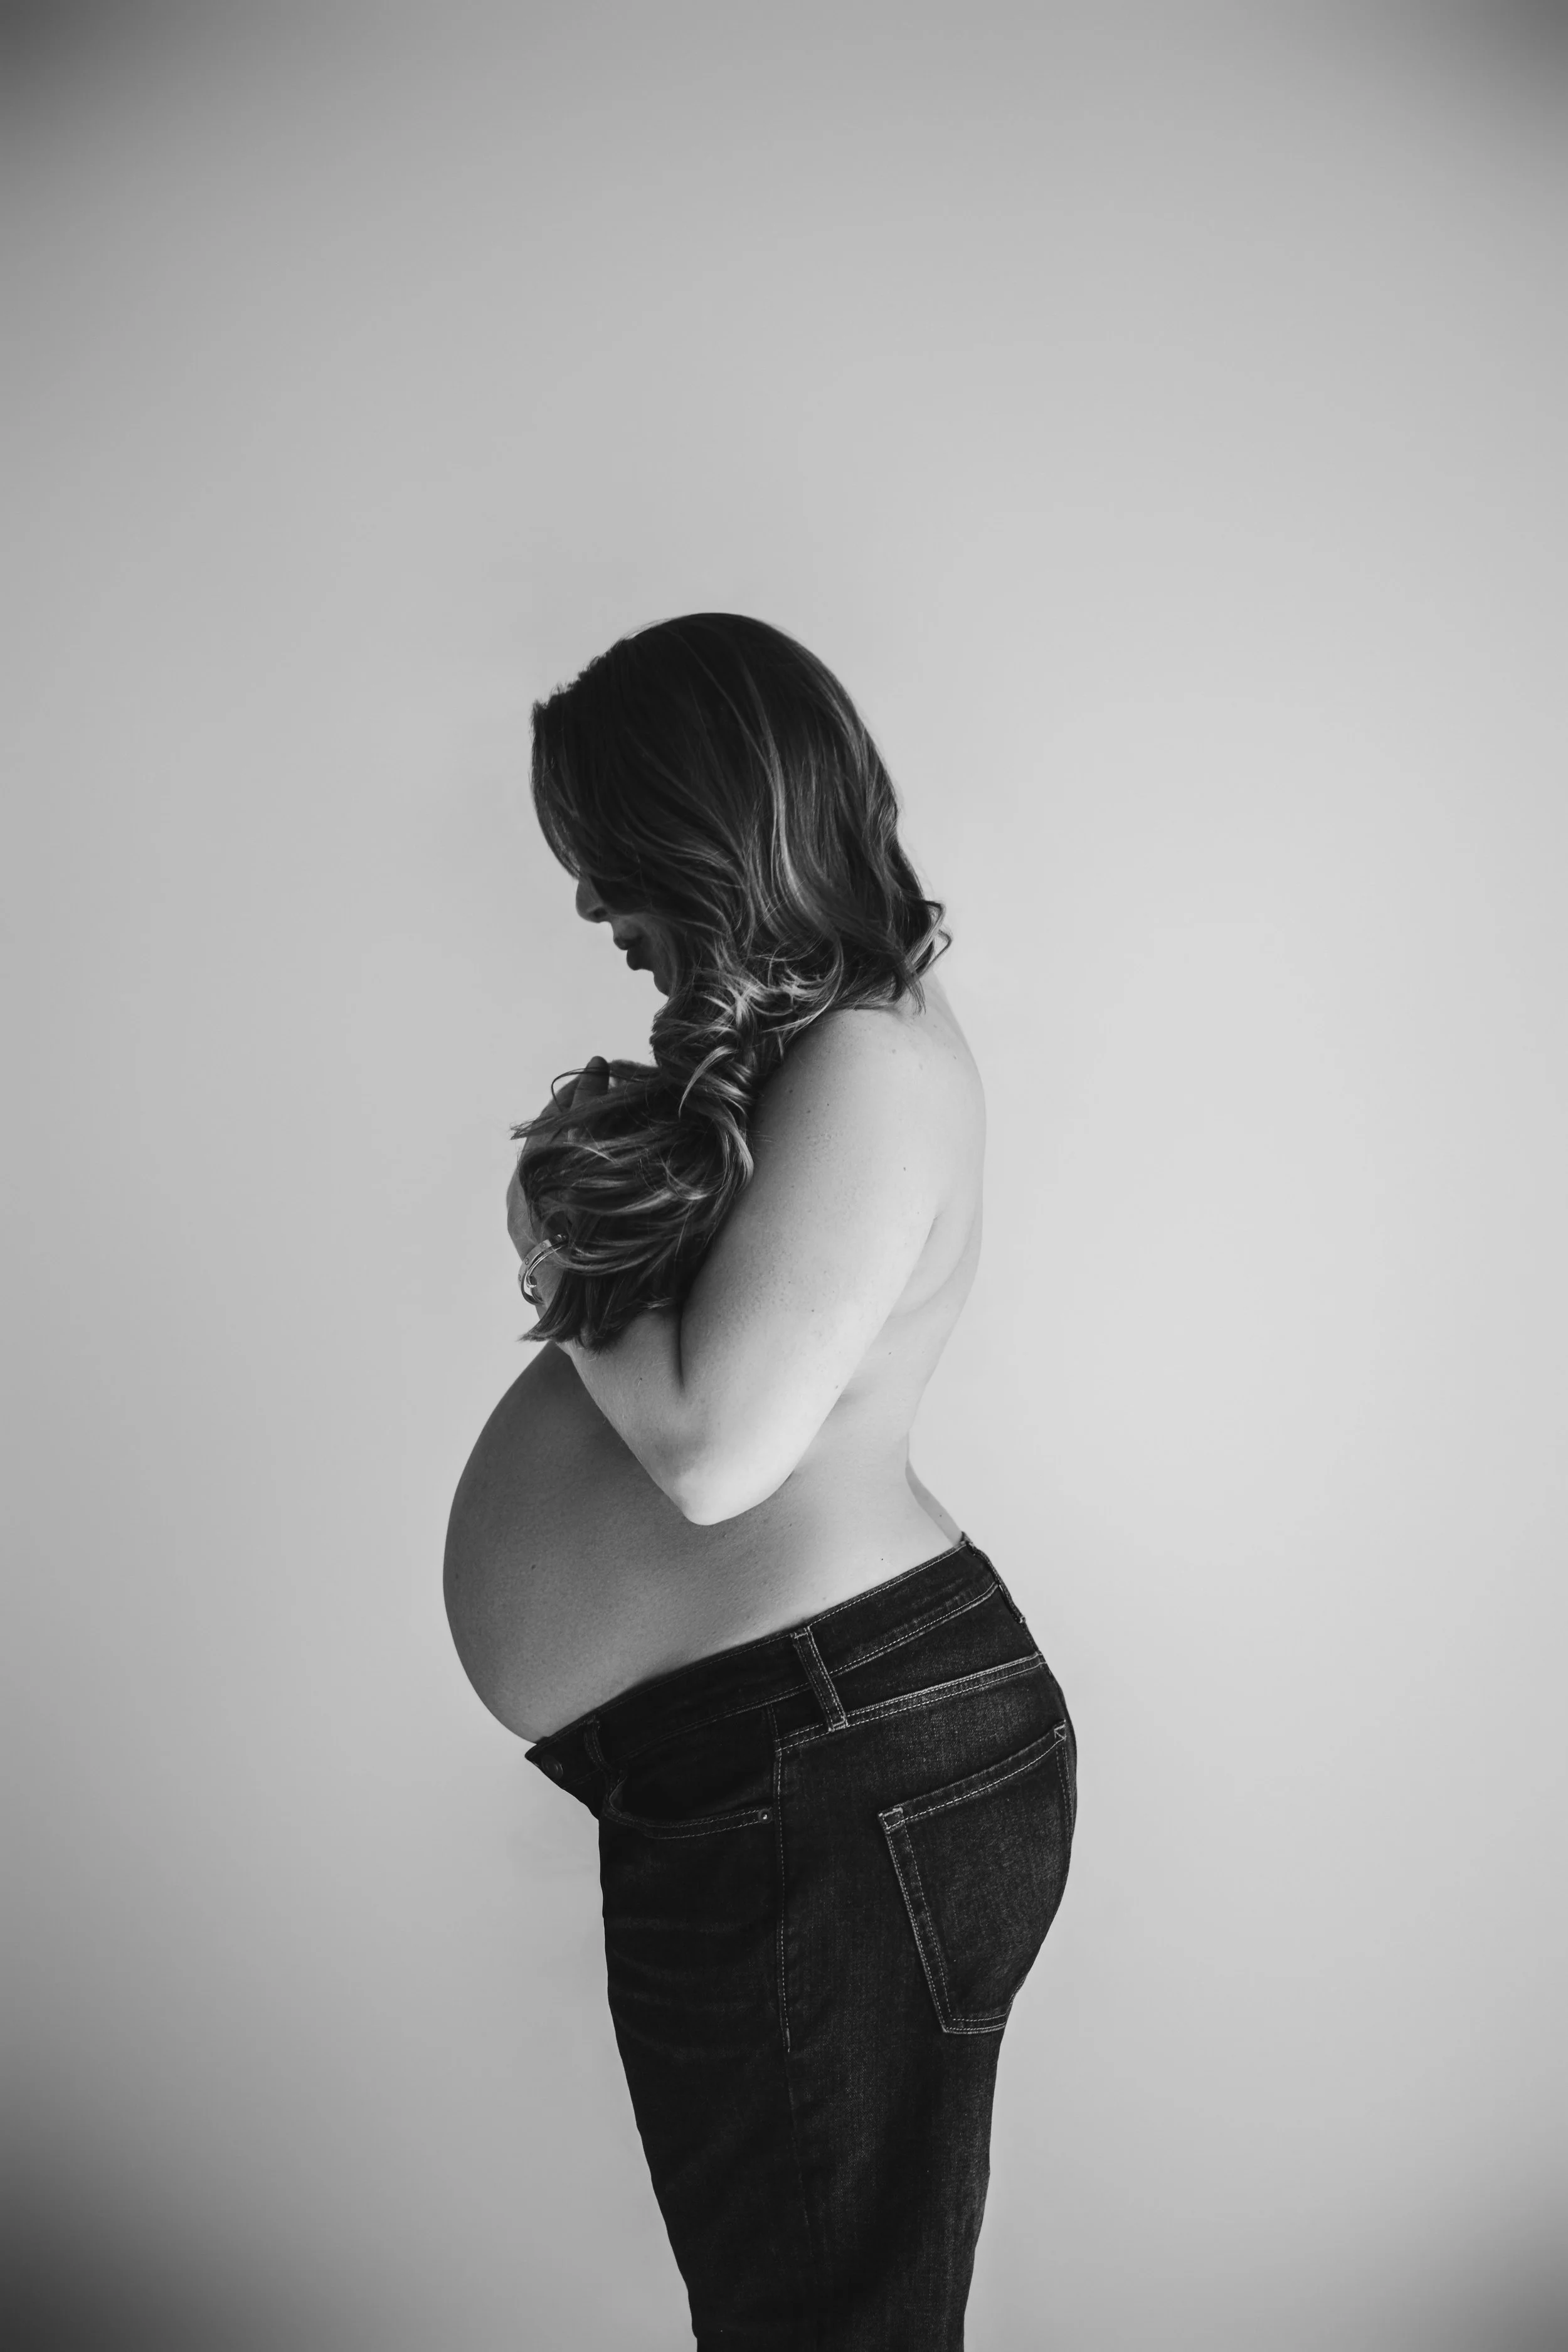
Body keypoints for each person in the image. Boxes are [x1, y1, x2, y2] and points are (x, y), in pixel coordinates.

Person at [444, 613, 1076, 2349]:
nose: (588, 910)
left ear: (705, 834)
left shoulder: (871, 1062)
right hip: (796, 1757)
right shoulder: (830, 1053)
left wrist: (556, 1230)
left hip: (835, 1764)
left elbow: (718, 1449)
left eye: (607, 859)